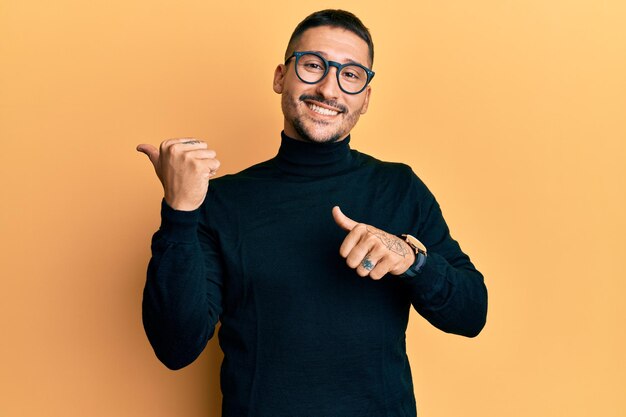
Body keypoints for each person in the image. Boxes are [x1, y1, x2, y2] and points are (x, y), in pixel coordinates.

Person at [137, 9, 487, 417]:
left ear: (366, 97)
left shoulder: (399, 188)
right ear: (280, 77)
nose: (329, 88)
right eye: (313, 66)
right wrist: (180, 211)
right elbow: (175, 346)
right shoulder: (222, 202)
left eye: (351, 74)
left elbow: (472, 314)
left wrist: (410, 260)